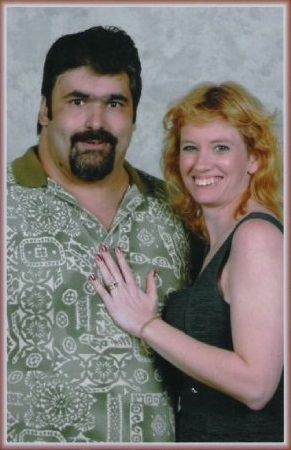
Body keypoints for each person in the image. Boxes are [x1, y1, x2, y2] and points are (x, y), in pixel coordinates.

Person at [6, 26, 204, 443]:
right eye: (77, 101)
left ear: (133, 114)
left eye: (114, 103)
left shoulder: (182, 212)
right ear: (45, 110)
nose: (95, 122)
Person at [91, 81, 284, 442]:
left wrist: (146, 325)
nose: (201, 163)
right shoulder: (210, 241)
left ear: (255, 158)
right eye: (190, 147)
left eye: (221, 148)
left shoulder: (256, 238)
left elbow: (256, 385)